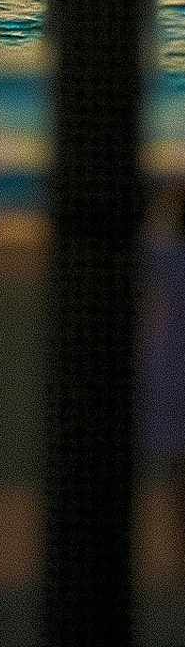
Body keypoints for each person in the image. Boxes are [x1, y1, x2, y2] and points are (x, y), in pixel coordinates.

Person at [145, 181, 185, 583]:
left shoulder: (169, 257)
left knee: (178, 473)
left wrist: (162, 199)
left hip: (171, 371)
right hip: (171, 369)